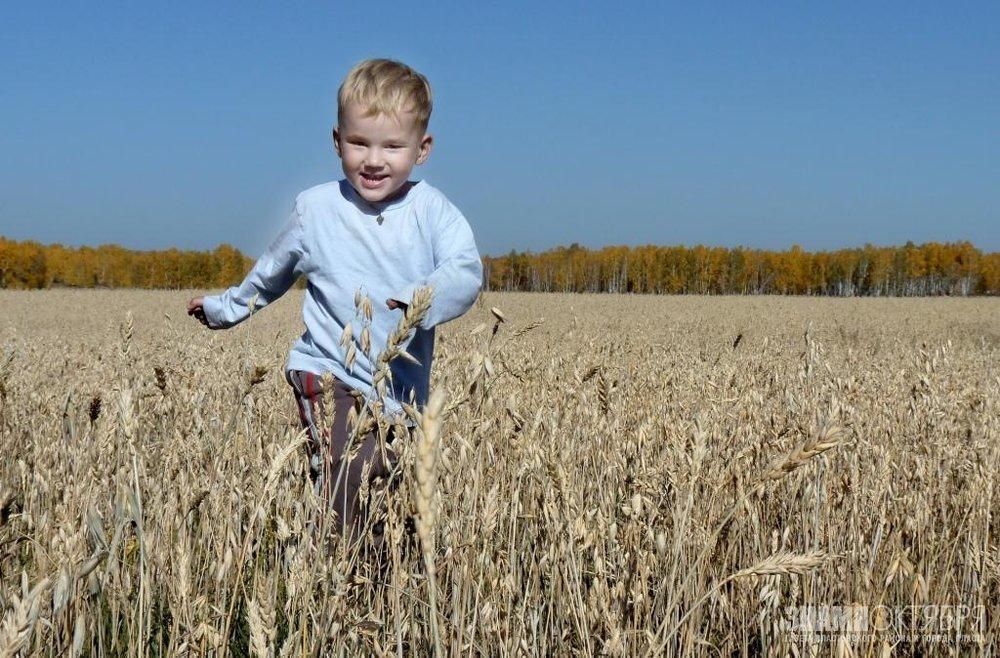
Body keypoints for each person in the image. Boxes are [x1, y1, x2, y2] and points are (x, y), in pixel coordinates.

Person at [186, 58, 483, 545]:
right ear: (336, 141)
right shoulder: (316, 210)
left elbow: (466, 271)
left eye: (392, 146)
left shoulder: (434, 212)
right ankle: (334, 581)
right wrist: (224, 309)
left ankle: (378, 588)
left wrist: (419, 301)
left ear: (422, 149)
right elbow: (270, 272)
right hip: (328, 372)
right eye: (358, 142)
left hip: (399, 395)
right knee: (349, 473)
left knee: (390, 493)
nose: (373, 159)